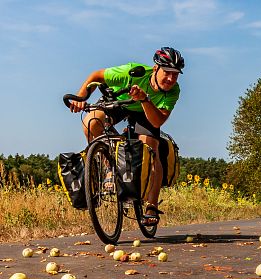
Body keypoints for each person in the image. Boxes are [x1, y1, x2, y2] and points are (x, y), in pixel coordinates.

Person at [68, 47, 184, 225]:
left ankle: (151, 206)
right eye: (167, 72)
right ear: (155, 69)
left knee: (150, 150)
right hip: (120, 102)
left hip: (147, 112)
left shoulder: (173, 91)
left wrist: (144, 99)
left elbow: (157, 121)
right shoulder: (131, 72)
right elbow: (96, 76)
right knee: (90, 123)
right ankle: (110, 167)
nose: (170, 78)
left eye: (175, 74)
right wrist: (81, 97)